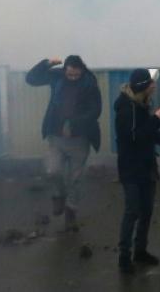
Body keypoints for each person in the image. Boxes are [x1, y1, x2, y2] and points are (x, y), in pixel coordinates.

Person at [25, 55, 102, 229]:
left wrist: (74, 123)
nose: (73, 78)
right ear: (65, 70)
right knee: (53, 171)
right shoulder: (56, 76)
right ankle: (59, 195)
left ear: (82, 70)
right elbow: (31, 79)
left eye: (76, 75)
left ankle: (71, 212)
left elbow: (96, 110)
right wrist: (45, 64)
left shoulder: (90, 84)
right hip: (56, 136)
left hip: (80, 140)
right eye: (70, 75)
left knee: (75, 179)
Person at [114, 68, 160, 273]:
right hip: (131, 168)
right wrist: (157, 119)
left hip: (146, 165)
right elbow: (134, 137)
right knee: (132, 211)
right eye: (151, 83)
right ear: (143, 87)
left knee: (147, 211)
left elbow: (146, 132)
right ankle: (124, 257)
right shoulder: (126, 108)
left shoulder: (140, 104)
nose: (154, 85)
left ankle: (140, 251)